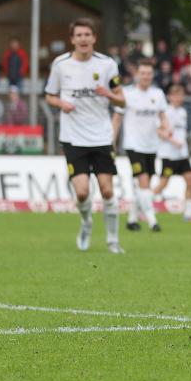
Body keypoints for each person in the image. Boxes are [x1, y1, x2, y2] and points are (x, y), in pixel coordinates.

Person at [44, 18, 126, 253]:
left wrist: (108, 94)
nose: (83, 39)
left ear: (94, 38)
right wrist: (61, 103)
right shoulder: (61, 64)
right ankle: (86, 222)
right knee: (82, 192)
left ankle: (112, 240)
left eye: (87, 35)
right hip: (73, 137)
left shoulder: (107, 64)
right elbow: (49, 95)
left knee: (107, 190)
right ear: (72, 39)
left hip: (101, 136)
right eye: (78, 35)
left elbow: (122, 100)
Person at [113, 60, 169, 233]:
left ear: (152, 75)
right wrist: (111, 143)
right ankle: (153, 221)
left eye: (149, 73)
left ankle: (132, 219)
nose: (146, 76)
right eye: (143, 73)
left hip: (151, 145)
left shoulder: (158, 94)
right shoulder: (127, 93)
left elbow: (163, 117)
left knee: (144, 185)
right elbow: (117, 119)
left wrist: (165, 129)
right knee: (143, 182)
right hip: (133, 145)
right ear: (137, 74)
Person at [154, 84, 191, 223]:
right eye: (176, 95)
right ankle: (142, 208)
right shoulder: (166, 112)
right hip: (169, 155)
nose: (179, 98)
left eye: (181, 95)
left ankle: (188, 214)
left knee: (190, 181)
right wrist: (172, 141)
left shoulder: (183, 112)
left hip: (182, 155)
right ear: (170, 97)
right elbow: (159, 131)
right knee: (163, 184)